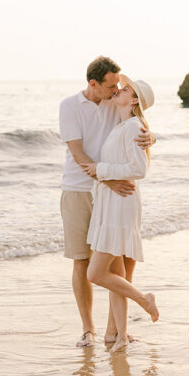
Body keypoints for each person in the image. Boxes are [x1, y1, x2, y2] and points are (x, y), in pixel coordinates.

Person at [58, 57, 154, 347]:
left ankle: (116, 331)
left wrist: (151, 136)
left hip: (113, 194)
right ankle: (89, 329)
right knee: (81, 260)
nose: (116, 90)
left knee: (121, 260)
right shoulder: (70, 106)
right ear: (93, 84)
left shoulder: (115, 102)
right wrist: (107, 178)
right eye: (111, 86)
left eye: (119, 87)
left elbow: (136, 124)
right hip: (79, 189)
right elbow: (78, 154)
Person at [83, 76, 159, 353]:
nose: (119, 91)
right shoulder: (123, 125)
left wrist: (100, 170)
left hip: (120, 204)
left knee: (95, 273)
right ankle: (117, 336)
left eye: (126, 90)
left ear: (135, 100)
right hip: (111, 203)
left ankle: (144, 300)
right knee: (116, 273)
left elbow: (139, 170)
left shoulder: (132, 127)